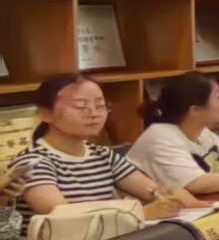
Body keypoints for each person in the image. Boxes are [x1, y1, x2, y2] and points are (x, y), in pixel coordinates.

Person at [15, 74, 194, 219]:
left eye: (100, 106)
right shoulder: (33, 162)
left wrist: (169, 193)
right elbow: (61, 214)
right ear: (45, 114)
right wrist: (138, 213)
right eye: (80, 106)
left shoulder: (103, 155)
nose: (94, 114)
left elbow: (150, 190)